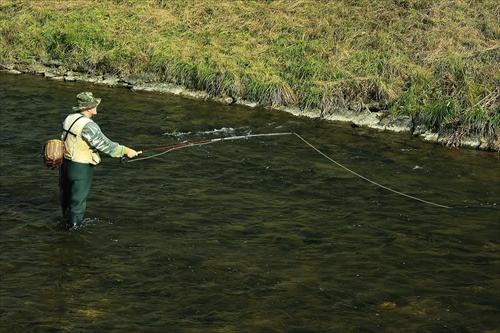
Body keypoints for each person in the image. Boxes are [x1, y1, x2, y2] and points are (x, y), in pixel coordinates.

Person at [59, 92, 139, 229]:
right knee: (78, 202)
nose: (97, 106)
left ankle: (66, 225)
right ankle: (73, 232)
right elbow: (105, 145)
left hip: (65, 165)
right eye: (94, 104)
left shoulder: (69, 118)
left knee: (66, 199)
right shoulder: (89, 125)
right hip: (81, 168)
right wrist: (126, 151)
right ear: (88, 108)